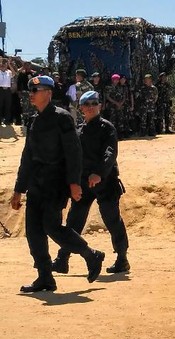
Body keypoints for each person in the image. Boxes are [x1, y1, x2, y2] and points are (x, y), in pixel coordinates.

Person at [9, 76, 104, 292]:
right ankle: (45, 277)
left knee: (51, 227)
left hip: (55, 183)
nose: (31, 94)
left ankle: (91, 255)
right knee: (33, 231)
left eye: (36, 90)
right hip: (35, 183)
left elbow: (74, 153)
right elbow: (27, 156)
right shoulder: (33, 120)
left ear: (49, 93)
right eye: (30, 90)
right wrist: (18, 189)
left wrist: (74, 183)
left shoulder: (62, 118)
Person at [52, 91, 130, 274]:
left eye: (95, 103)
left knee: (112, 220)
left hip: (106, 182)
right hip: (83, 183)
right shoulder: (78, 130)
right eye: (87, 104)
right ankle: (62, 259)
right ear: (81, 108)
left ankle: (122, 258)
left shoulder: (107, 127)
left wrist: (99, 174)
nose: (91, 107)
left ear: (100, 106)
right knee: (74, 221)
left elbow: (110, 153)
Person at [0, 57, 17, 125]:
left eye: (5, 64)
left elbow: (14, 73)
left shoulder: (9, 72)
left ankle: (7, 121)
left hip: (7, 90)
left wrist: (9, 64)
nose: (3, 65)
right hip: (0, 89)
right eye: (2, 64)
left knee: (8, 105)